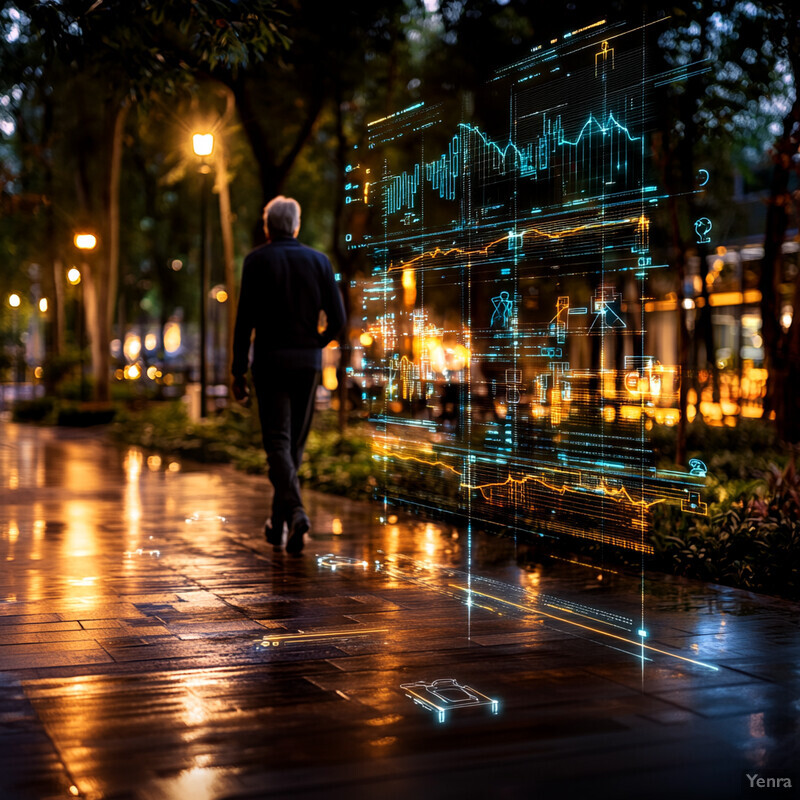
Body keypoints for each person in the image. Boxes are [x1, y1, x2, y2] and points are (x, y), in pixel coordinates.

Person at [231, 196, 346, 554]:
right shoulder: (319, 261)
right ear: (296, 225)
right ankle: (279, 523)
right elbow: (339, 321)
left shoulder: (255, 261)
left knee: (278, 442)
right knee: (293, 444)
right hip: (306, 364)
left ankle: (293, 513)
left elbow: (244, 322)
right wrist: (317, 341)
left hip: (269, 363)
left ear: (268, 227)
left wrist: (237, 371)